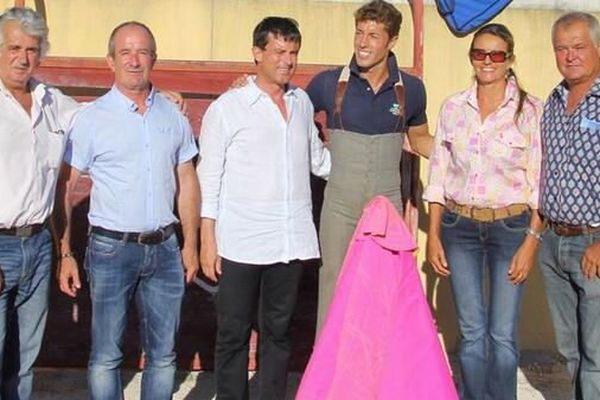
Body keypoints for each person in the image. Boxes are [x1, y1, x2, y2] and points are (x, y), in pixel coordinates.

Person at [55, 21, 200, 400]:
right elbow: (65, 188)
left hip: (166, 249)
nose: (134, 61)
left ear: (154, 58)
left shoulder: (173, 115)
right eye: (125, 52)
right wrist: (65, 252)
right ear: (110, 61)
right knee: (106, 355)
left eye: (142, 52)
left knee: (164, 355)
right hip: (110, 251)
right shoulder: (90, 119)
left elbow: (187, 181)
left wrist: (191, 245)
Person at [197, 16, 330, 400]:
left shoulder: (301, 102)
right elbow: (210, 177)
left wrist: (371, 169)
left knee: (278, 332)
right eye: (279, 52)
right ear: (257, 53)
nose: (287, 60)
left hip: (290, 241)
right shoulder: (229, 107)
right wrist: (208, 238)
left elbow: (318, 161)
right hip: (241, 241)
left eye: (293, 53)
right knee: (233, 333)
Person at [424, 24, 544, 400]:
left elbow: (541, 183)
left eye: (496, 55)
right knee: (472, 331)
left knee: (503, 333)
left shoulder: (531, 111)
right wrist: (434, 236)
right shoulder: (453, 108)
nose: (487, 61)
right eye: (480, 54)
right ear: (471, 57)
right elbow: (439, 174)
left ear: (509, 60)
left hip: (511, 229)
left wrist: (531, 242)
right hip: (459, 228)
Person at [306, 0, 432, 331]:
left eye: (373, 35)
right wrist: (245, 86)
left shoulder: (412, 90)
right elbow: (289, 117)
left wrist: (466, 149)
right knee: (332, 282)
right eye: (359, 32)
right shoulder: (328, 83)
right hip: (339, 205)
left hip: (386, 205)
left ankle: (381, 373)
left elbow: (420, 141)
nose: (362, 42)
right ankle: (329, 373)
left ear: (392, 41)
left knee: (385, 287)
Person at [0, 7, 81, 399]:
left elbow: (103, 121)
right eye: (14, 47)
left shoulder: (53, 102)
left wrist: (152, 93)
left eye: (32, 49)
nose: (23, 57)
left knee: (24, 359)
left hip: (38, 245)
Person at [538, 11, 600, 400]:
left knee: (597, 354)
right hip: (552, 242)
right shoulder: (554, 100)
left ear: (597, 48)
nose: (570, 55)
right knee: (570, 351)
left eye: (578, 47)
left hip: (593, 244)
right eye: (561, 48)